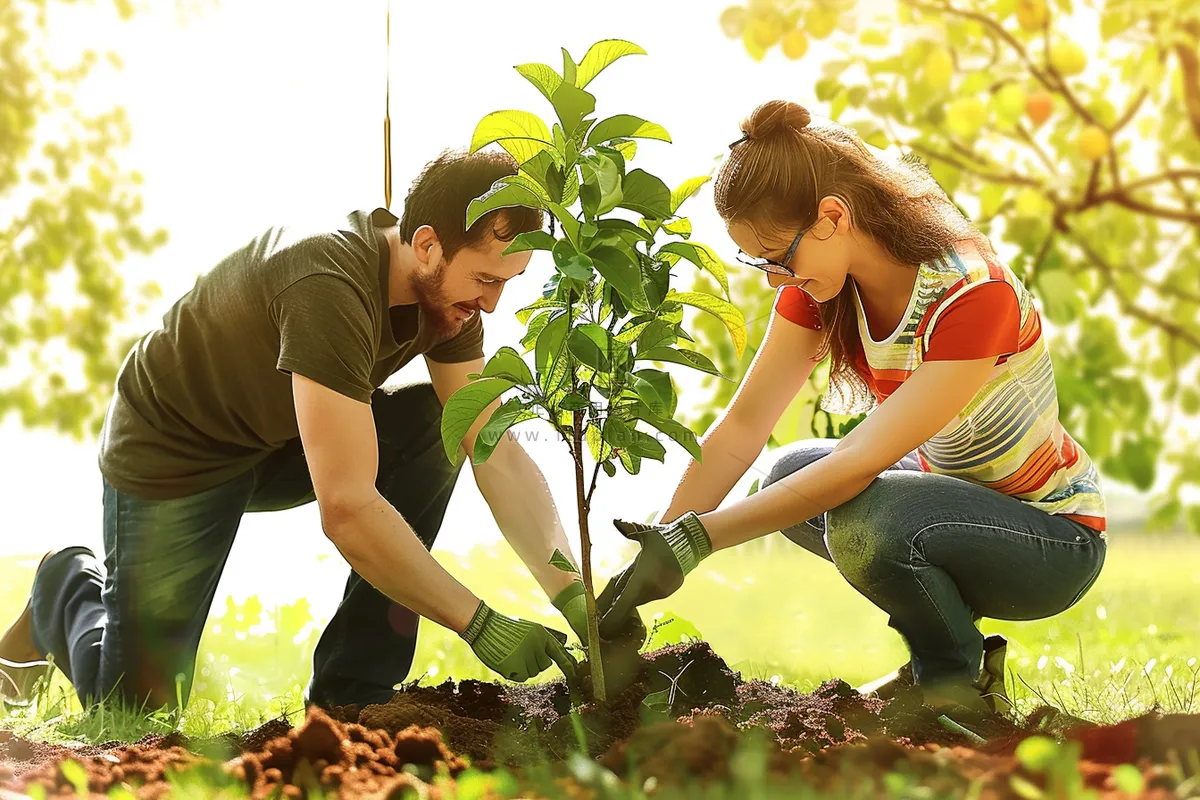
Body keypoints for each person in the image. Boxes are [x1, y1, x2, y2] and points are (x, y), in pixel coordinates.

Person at [0, 147, 640, 712]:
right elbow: (347, 506)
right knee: (134, 709)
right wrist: (479, 624)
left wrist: (572, 594)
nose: (493, 304)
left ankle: (352, 696)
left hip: (281, 437)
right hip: (178, 449)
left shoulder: (450, 302)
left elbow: (493, 451)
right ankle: (63, 586)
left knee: (434, 425)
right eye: (486, 279)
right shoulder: (327, 282)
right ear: (426, 245)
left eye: (507, 284)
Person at [596, 100, 1107, 715]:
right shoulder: (826, 289)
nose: (772, 280)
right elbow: (742, 427)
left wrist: (697, 540)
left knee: (865, 516)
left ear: (832, 218)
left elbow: (860, 462)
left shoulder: (974, 294)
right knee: (787, 475)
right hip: (946, 503)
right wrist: (660, 541)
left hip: (1050, 537)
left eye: (778, 259)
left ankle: (955, 689)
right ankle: (935, 671)